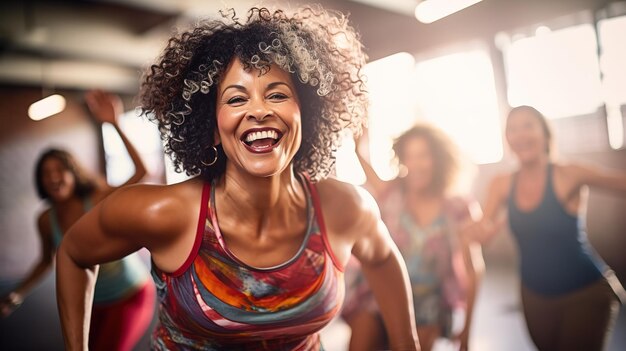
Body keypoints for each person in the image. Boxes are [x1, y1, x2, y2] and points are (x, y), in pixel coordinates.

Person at [55, 6, 420, 351]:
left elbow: (383, 259)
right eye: (236, 99)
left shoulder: (344, 207)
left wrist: (407, 343)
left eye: (277, 94)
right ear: (212, 128)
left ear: (304, 114)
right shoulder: (165, 212)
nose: (259, 110)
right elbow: (74, 253)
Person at [0, 90, 155, 351]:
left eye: (59, 170)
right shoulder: (46, 220)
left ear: (73, 174)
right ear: (41, 181)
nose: (54, 177)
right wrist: (18, 293)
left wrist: (114, 123)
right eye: (46, 173)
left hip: (129, 295)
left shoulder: (95, 200)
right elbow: (45, 259)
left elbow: (141, 172)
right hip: (92, 300)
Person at [466, 105, 626, 351]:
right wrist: (474, 231)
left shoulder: (568, 173)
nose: (520, 135)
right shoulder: (501, 184)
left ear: (545, 133)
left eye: (528, 126)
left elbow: (618, 181)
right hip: (533, 295)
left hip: (585, 291)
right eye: (512, 129)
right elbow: (482, 233)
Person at [342, 124, 484, 351]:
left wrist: (467, 331)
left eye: (423, 156)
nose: (415, 164)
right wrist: (359, 150)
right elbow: (371, 175)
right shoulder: (392, 194)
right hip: (381, 292)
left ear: (438, 159)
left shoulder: (458, 208)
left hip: (429, 302)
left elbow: (474, 269)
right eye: (409, 156)